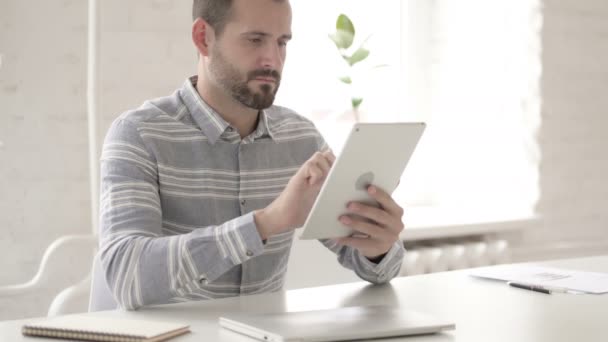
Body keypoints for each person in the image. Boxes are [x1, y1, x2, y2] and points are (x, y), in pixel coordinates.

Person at [90, 0, 405, 311]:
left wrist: (378, 248)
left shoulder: (301, 139)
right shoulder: (139, 135)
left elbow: (371, 266)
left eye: (282, 42)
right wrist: (266, 222)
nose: (272, 59)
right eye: (255, 40)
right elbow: (126, 276)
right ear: (203, 38)